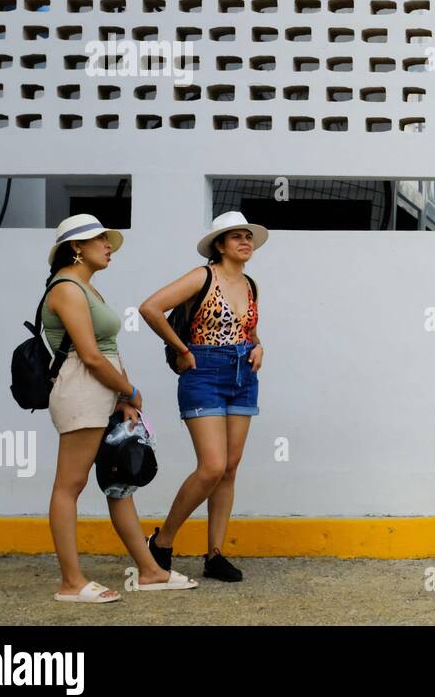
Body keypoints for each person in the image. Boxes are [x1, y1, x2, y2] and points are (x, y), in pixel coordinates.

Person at [41, 214, 198, 602]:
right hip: (82, 388)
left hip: (104, 390)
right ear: (76, 247)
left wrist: (124, 397)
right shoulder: (66, 289)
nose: (109, 246)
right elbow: (91, 356)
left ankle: (150, 571)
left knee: (119, 484)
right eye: (101, 240)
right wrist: (131, 389)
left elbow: (107, 350)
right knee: (69, 485)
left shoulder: (88, 289)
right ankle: (71, 583)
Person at [138, 212, 267, 582]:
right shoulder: (203, 276)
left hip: (244, 374)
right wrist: (181, 348)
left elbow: (250, 329)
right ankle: (162, 541)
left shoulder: (250, 284)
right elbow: (150, 307)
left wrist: (259, 347)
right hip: (204, 374)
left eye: (248, 236)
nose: (245, 242)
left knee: (229, 468)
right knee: (212, 465)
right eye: (236, 237)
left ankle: (215, 555)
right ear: (220, 245)